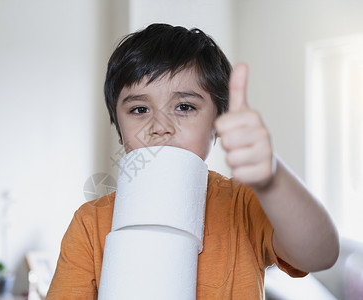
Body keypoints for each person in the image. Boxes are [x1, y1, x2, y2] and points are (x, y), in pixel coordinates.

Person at [46, 23, 339, 299]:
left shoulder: (242, 205)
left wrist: (272, 179)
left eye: (184, 107)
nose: (160, 126)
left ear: (218, 124)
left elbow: (320, 254)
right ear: (119, 132)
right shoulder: (90, 223)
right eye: (139, 109)